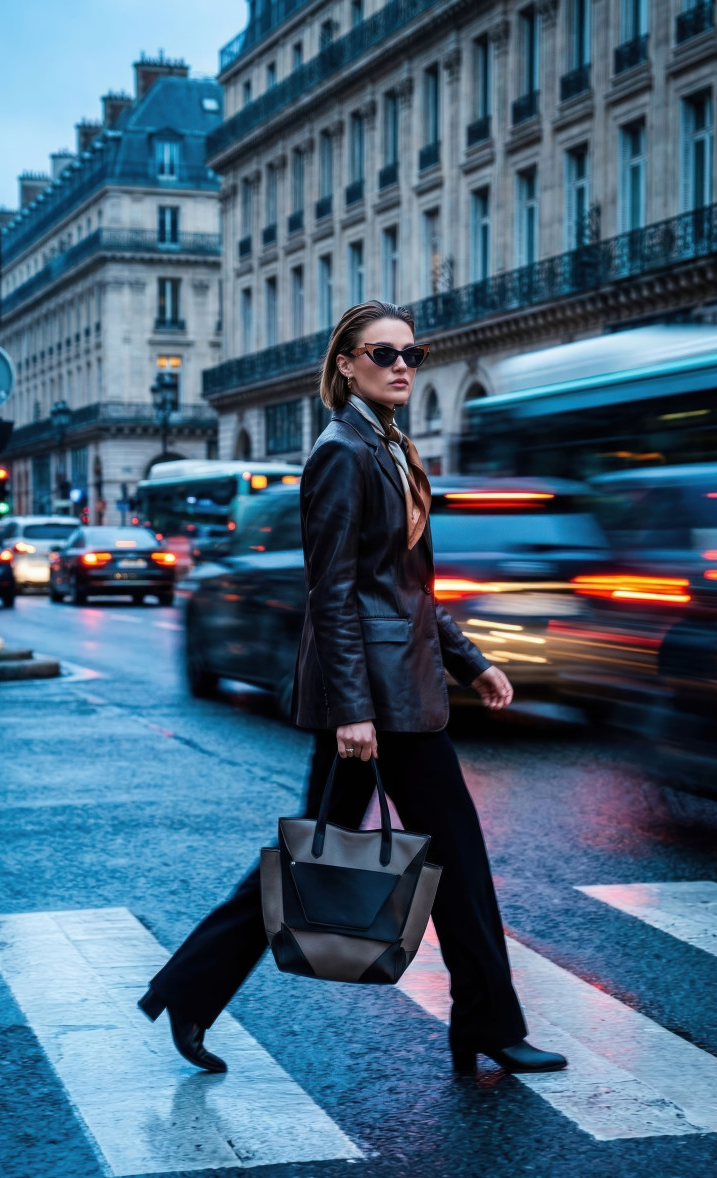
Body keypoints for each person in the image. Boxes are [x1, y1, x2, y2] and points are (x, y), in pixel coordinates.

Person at [138, 300, 567, 1077]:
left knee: (315, 858)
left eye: (413, 352)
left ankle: (189, 990)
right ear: (345, 363)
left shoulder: (392, 446)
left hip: (402, 690)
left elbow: (409, 590)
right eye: (384, 352)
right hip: (376, 704)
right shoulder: (340, 451)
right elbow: (332, 592)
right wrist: (354, 712)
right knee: (451, 859)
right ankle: (486, 1023)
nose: (403, 364)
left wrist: (474, 661)